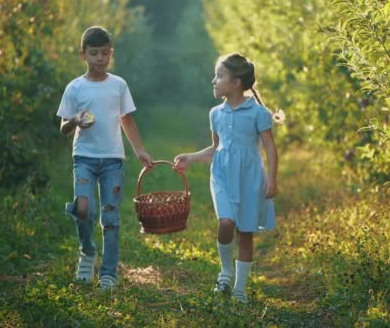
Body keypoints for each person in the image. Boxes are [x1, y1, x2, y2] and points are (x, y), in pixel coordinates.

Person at [174, 53, 278, 303]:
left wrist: (272, 179)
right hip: (222, 175)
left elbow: (270, 148)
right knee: (226, 222)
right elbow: (215, 149)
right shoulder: (215, 114)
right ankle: (226, 272)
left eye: (220, 76)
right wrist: (190, 157)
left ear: (236, 83)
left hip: (250, 177)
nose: (214, 80)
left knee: (245, 232)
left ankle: (240, 288)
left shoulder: (258, 113)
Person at [56, 26, 153, 290]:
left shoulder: (118, 85)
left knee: (110, 217)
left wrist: (140, 151)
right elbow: (64, 128)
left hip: (112, 160)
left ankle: (109, 273)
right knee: (84, 209)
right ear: (83, 55)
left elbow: (127, 120)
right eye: (94, 53)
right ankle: (87, 252)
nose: (99, 58)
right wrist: (76, 120)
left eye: (104, 53)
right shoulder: (75, 88)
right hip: (84, 158)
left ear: (111, 54)